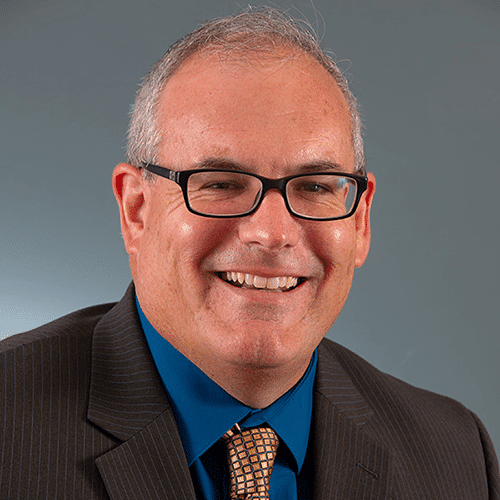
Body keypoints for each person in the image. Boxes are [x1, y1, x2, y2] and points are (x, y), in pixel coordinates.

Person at [1, 7, 498, 500]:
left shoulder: (454, 455)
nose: (272, 233)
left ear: (361, 219)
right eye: (220, 183)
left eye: (315, 186)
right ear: (137, 210)